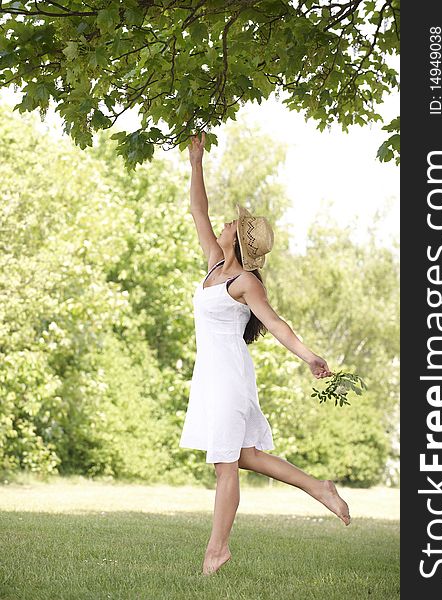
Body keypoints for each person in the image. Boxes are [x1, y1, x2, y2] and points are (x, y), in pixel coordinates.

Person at [179, 131, 350, 576]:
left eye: (231, 224)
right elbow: (199, 209)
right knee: (246, 457)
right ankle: (320, 488)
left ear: (237, 239)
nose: (223, 224)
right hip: (214, 377)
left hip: (228, 380)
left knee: (226, 465)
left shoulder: (245, 283)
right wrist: (196, 162)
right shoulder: (216, 264)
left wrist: (310, 356)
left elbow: (275, 324)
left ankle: (217, 550)